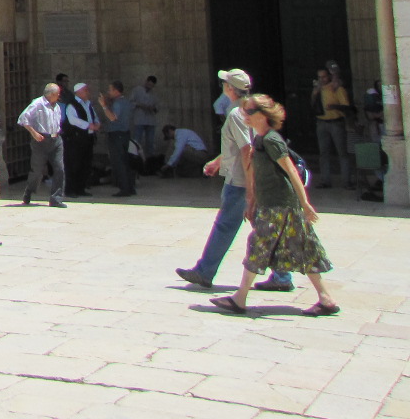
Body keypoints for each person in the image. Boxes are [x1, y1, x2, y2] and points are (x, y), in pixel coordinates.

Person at [210, 94, 339, 317]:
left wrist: (305, 204)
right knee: (304, 248)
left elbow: (291, 172)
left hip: (280, 206)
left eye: (249, 112)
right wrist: (252, 201)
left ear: (264, 115)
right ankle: (326, 299)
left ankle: (239, 298)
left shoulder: (271, 140)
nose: (245, 116)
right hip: (273, 204)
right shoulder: (260, 140)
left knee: (259, 246)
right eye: (244, 111)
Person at [176, 69, 293, 293]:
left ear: (230, 88)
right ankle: (282, 275)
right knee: (263, 226)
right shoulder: (251, 111)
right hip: (250, 177)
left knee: (226, 225)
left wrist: (250, 189)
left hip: (241, 181)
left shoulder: (236, 114)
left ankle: (204, 271)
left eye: (225, 83)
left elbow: (247, 149)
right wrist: (219, 160)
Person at [17, 83, 66, 207]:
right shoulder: (37, 104)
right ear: (51, 94)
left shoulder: (57, 106)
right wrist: (33, 133)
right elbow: (23, 118)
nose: (59, 95)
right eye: (57, 93)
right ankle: (29, 191)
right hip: (41, 141)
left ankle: (56, 198)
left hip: (56, 140)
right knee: (37, 171)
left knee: (59, 168)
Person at [312, 67, 352, 188]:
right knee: (323, 153)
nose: (322, 79)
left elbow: (346, 106)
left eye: (324, 76)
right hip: (321, 123)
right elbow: (313, 105)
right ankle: (325, 181)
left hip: (336, 123)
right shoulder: (318, 90)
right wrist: (315, 93)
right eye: (319, 77)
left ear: (329, 76)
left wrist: (334, 106)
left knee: (342, 153)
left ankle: (347, 181)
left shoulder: (337, 88)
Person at [96, 81, 136, 197]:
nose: (109, 92)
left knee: (119, 162)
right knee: (125, 161)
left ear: (116, 91)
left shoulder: (118, 103)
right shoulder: (126, 102)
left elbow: (113, 118)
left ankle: (124, 189)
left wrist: (103, 105)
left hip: (116, 135)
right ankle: (130, 187)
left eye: (110, 90)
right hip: (124, 134)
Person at [63, 83, 100, 197]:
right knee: (74, 164)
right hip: (75, 140)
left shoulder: (88, 104)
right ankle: (70, 190)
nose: (88, 92)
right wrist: (88, 125)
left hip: (87, 139)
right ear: (78, 92)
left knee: (85, 164)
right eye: (85, 90)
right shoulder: (72, 105)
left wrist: (97, 123)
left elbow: (93, 116)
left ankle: (81, 188)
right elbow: (73, 120)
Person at [129, 76, 160, 160]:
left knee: (150, 141)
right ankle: (134, 158)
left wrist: (152, 108)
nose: (150, 87)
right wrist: (140, 105)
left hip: (150, 120)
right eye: (149, 84)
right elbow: (131, 102)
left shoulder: (154, 94)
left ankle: (150, 159)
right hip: (139, 119)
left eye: (152, 86)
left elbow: (157, 107)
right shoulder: (137, 90)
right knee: (136, 140)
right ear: (146, 82)